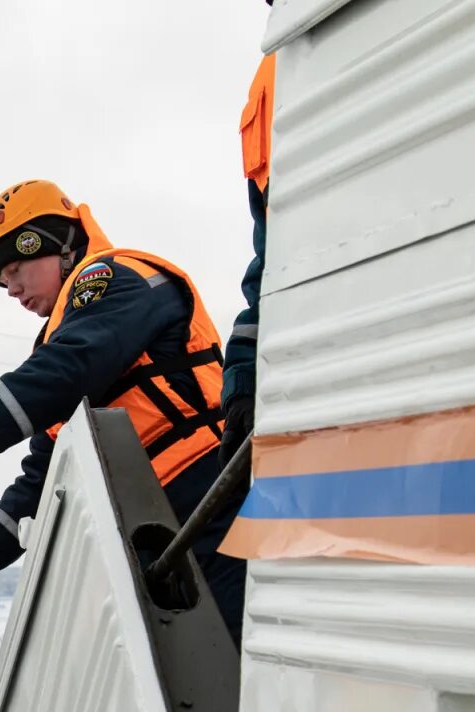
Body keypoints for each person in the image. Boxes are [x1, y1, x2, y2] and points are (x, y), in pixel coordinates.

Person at [0, 180, 246, 636]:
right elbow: (43, 481)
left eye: (16, 269)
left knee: (246, 663)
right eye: (4, 281)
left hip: (212, 495)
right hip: (151, 528)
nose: (11, 289)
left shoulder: (115, 278)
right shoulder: (61, 341)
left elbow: (68, 368)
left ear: (56, 244)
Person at [222, 20, 275, 466]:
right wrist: (243, 374)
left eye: (14, 271)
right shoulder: (272, 72)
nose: (14, 289)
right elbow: (273, 255)